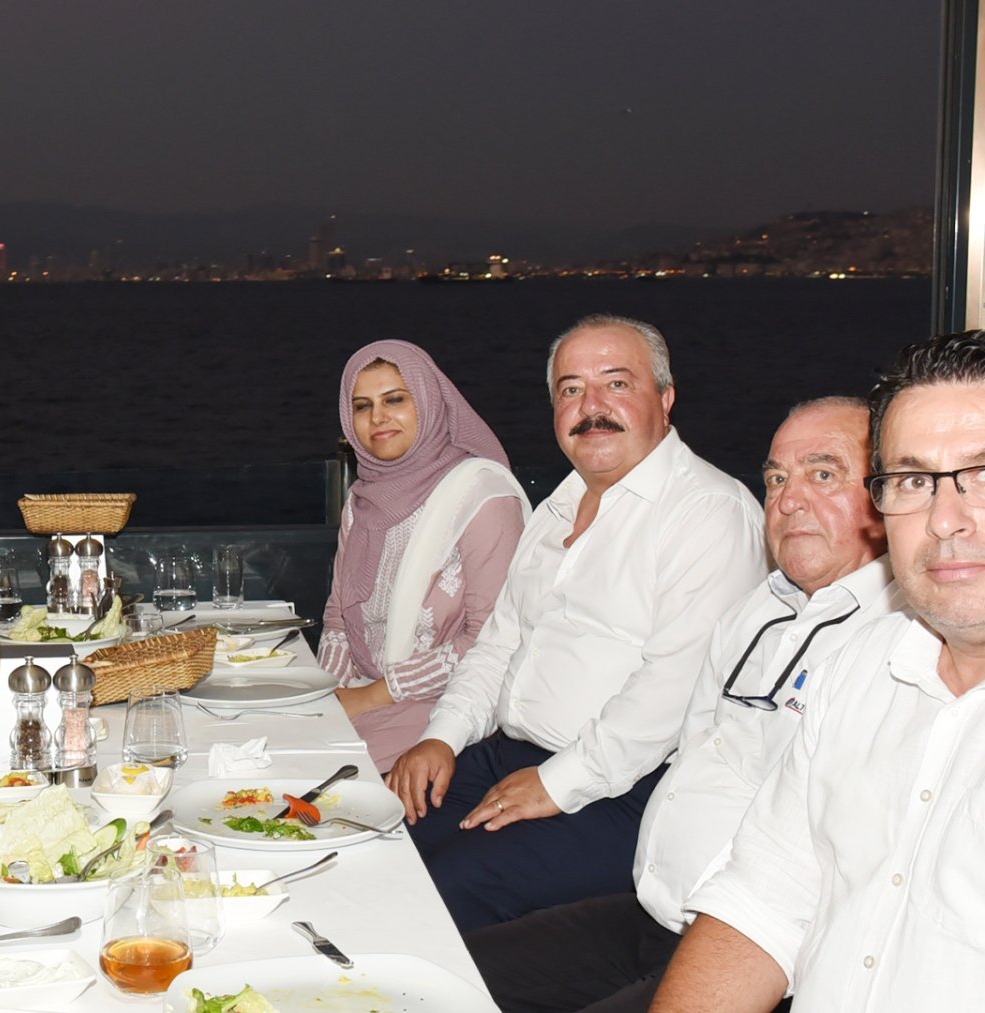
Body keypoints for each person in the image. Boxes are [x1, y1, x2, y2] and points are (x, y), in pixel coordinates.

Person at [467, 396, 897, 1012]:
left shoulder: (895, 643)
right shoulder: (759, 608)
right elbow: (695, 748)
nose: (788, 500)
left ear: (886, 496)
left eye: (822, 474)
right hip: (653, 913)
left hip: (758, 958)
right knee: (452, 977)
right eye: (777, 478)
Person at [387, 313, 766, 932]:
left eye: (616, 384)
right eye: (570, 389)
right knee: (371, 835)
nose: (591, 407)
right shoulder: (556, 507)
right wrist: (443, 738)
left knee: (446, 888)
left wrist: (557, 783)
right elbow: (499, 645)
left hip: (628, 786)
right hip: (510, 756)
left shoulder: (708, 512)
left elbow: (671, 691)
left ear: (666, 399)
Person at [654, 332, 985, 1011]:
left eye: (983, 474)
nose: (946, 520)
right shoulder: (859, 667)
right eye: (914, 481)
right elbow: (764, 897)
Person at [319, 340, 529, 773]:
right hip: (362, 697)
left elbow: (488, 639)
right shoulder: (361, 501)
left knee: (322, 786)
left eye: (395, 399)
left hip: (447, 710)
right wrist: (327, 697)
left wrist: (368, 697)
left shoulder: (481, 496)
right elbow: (338, 617)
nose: (378, 417)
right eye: (362, 406)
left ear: (430, 403)